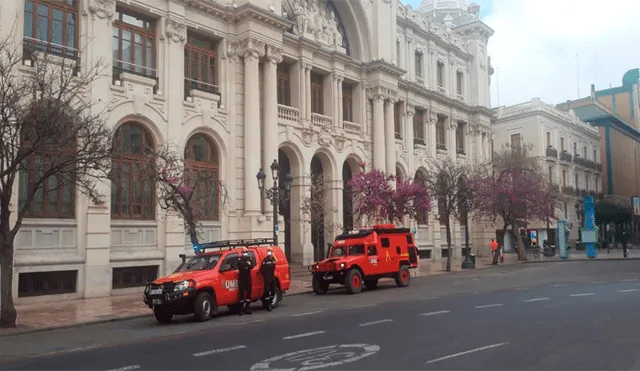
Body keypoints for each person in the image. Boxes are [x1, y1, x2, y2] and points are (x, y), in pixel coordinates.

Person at [237, 247, 254, 315]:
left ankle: (247, 308)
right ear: (242, 252)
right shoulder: (240, 258)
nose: (245, 253)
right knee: (241, 294)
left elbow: (252, 266)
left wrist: (248, 265)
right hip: (242, 279)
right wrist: (247, 265)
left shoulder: (249, 258)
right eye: (244, 252)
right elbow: (240, 265)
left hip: (248, 278)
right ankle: (241, 310)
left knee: (248, 294)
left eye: (246, 251)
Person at [260, 247, 277, 311]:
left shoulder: (273, 259)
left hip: (272, 277)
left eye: (271, 251)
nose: (270, 253)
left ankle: (270, 302)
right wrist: (265, 275)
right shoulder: (265, 260)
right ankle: (267, 305)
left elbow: (274, 267)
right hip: (267, 278)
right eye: (269, 251)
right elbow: (261, 270)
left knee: (273, 291)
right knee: (267, 292)